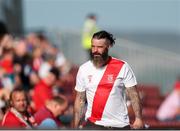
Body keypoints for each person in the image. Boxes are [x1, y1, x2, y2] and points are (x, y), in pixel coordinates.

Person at [73, 30, 144, 129]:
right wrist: (75, 126)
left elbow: (134, 94)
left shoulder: (123, 66)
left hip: (120, 125)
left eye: (100, 47)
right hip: (94, 124)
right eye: (93, 46)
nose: (95, 50)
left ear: (108, 46)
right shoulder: (83, 69)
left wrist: (139, 118)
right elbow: (80, 100)